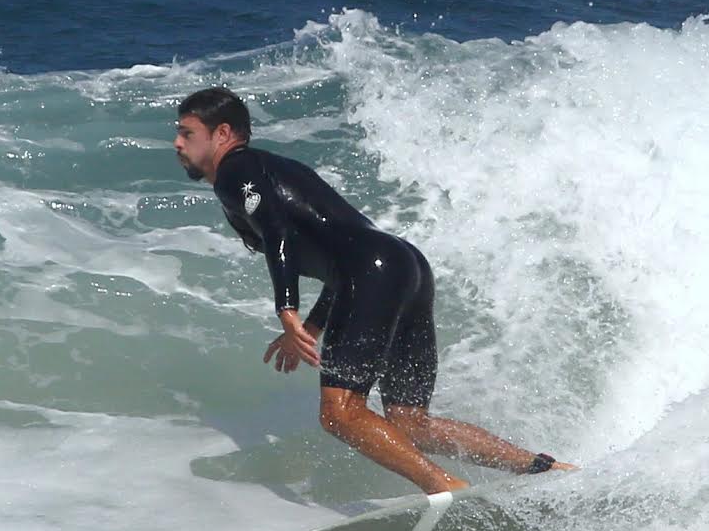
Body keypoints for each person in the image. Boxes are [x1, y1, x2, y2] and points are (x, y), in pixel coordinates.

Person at [173, 87, 576, 494]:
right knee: (411, 422)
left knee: (340, 413)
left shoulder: (235, 170)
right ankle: (543, 468)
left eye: (187, 133)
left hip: (371, 270)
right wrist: (311, 327)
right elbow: (343, 256)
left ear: (222, 134)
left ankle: (445, 486)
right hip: (403, 265)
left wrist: (287, 311)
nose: (177, 143)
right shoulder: (268, 169)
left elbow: (278, 232)